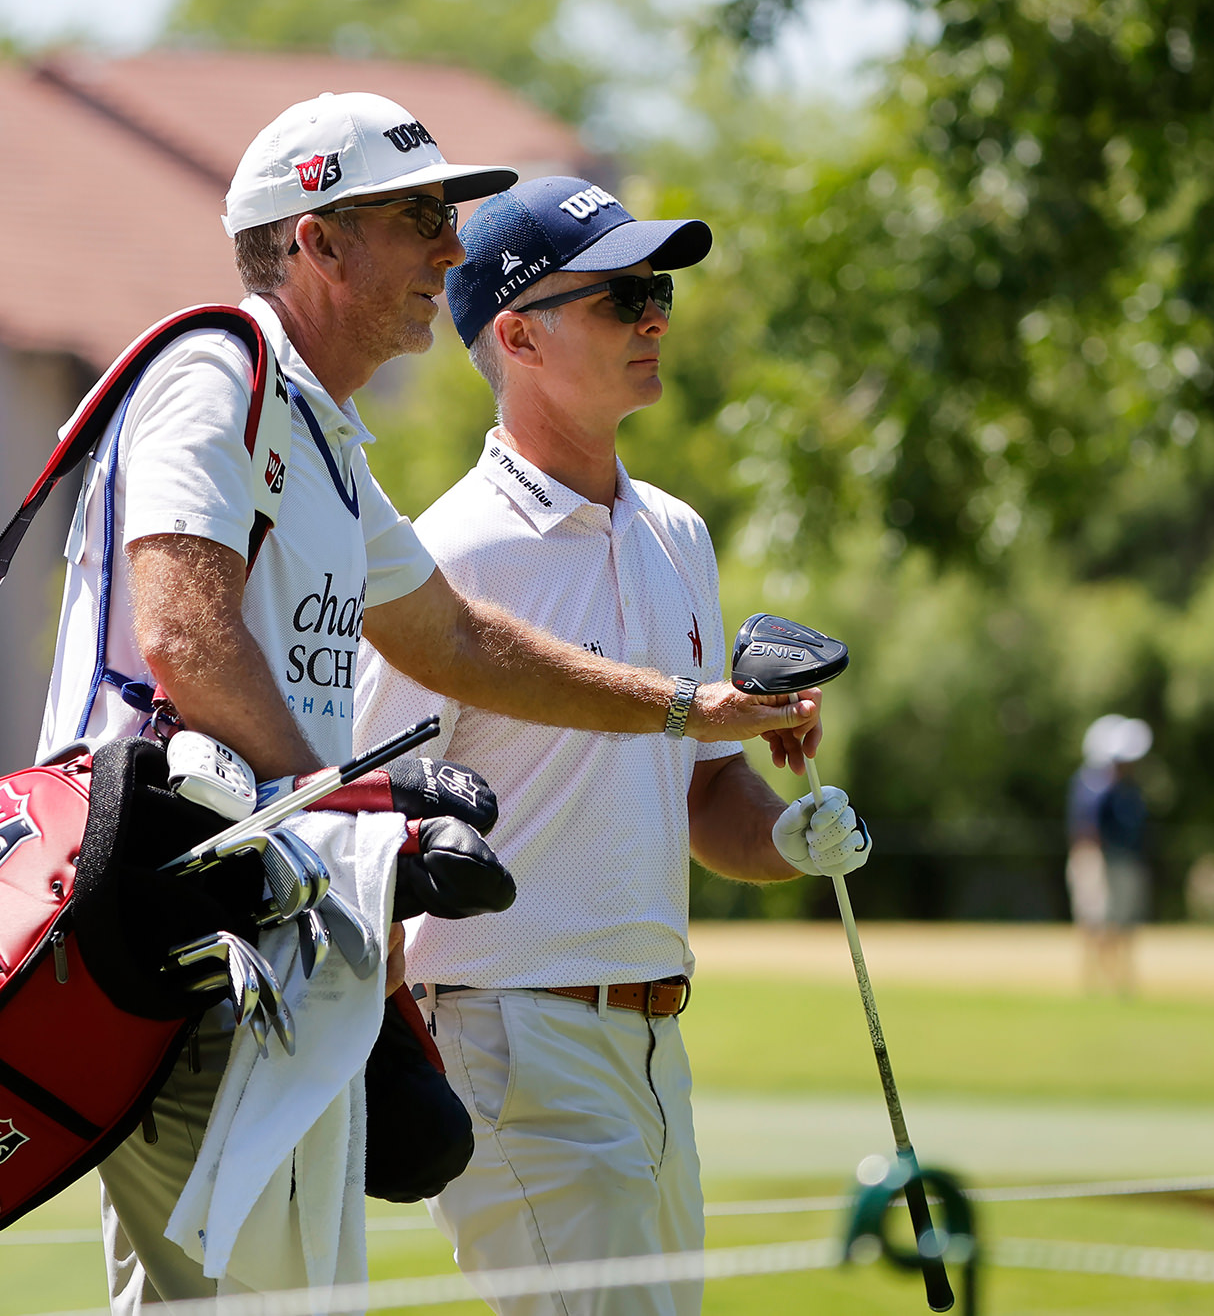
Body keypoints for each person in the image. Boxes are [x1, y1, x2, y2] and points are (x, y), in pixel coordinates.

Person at [35, 99, 820, 1312]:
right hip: (178, 935)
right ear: (316, 240)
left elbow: (456, 638)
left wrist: (687, 711)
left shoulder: (323, 434)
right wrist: (345, 830)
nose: (451, 251)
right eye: (417, 218)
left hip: (261, 947)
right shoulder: (213, 371)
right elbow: (185, 639)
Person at [353, 176, 874, 1316]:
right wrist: (384, 1049)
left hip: (651, 1043)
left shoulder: (675, 534)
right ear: (518, 335)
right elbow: (369, 824)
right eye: (621, 297)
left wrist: (788, 838)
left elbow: (704, 798)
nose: (655, 319)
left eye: (659, 293)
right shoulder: (447, 560)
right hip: (508, 1037)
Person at [1066, 713, 1152, 995]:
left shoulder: (1127, 788)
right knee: (1097, 922)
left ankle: (1120, 981)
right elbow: (1087, 828)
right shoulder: (1094, 784)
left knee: (1122, 923)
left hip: (1122, 859)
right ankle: (1097, 981)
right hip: (1100, 859)